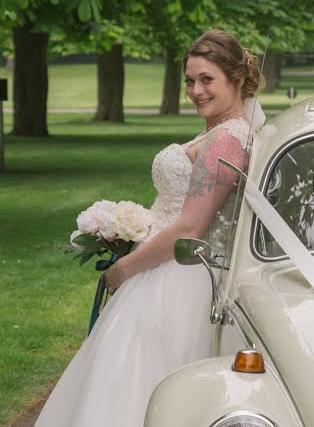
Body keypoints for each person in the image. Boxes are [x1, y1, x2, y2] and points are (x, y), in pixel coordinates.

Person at [36, 30, 266, 427]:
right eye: (190, 81)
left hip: (176, 281)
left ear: (238, 80)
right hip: (161, 268)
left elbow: (190, 227)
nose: (196, 91)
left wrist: (124, 268)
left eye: (207, 80)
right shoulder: (220, 131)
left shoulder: (227, 140)